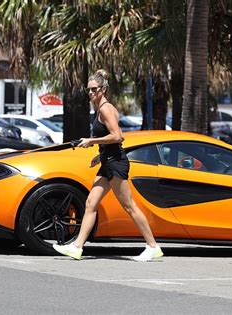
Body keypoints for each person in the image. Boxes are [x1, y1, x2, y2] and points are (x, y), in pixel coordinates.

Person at [53, 69, 163, 262]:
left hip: (115, 164)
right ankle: (77, 247)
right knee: (90, 203)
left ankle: (152, 246)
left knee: (129, 207)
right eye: (88, 90)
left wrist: (91, 141)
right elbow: (113, 138)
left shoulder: (105, 109)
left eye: (94, 89)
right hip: (107, 161)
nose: (90, 93)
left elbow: (118, 136)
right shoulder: (100, 108)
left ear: (103, 89)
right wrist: (100, 155)